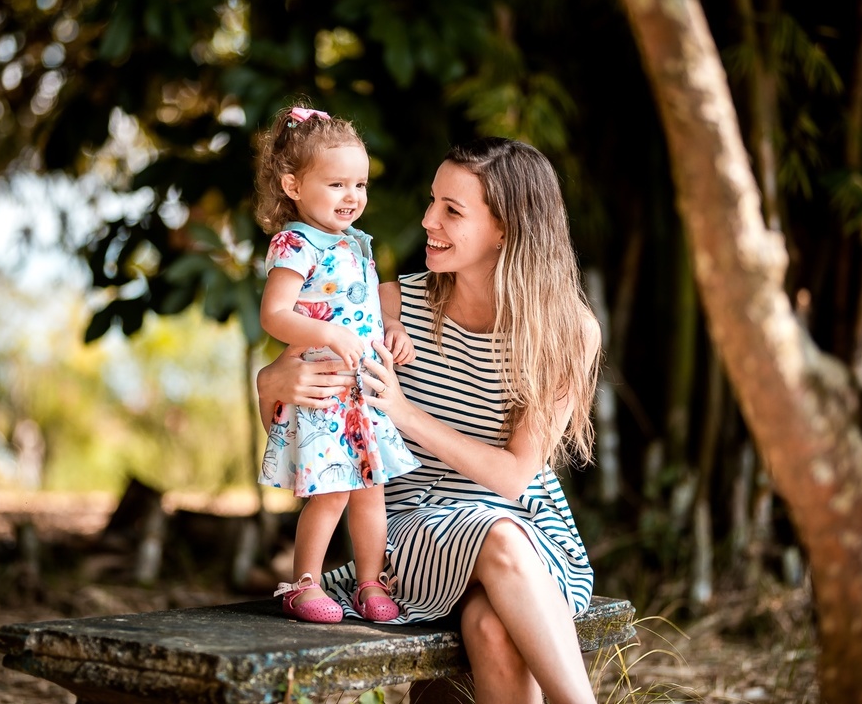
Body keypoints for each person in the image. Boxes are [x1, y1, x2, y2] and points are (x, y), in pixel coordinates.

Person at [257, 136, 603, 704]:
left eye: (451, 210)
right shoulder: (388, 304)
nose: (426, 221)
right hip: (414, 532)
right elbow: (297, 417)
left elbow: (515, 478)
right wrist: (270, 383)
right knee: (495, 536)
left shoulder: (566, 332)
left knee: (492, 624)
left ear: (506, 229)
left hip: (529, 532)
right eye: (432, 201)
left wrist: (402, 412)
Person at [253, 103, 421, 625]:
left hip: (364, 390)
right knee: (331, 492)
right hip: (323, 389)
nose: (353, 197)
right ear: (293, 186)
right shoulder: (295, 243)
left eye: (360, 185)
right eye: (337, 185)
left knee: (371, 491)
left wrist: (389, 331)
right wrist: (326, 331)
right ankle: (304, 583)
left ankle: (370, 582)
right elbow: (274, 313)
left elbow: (366, 307)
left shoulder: (355, 243)